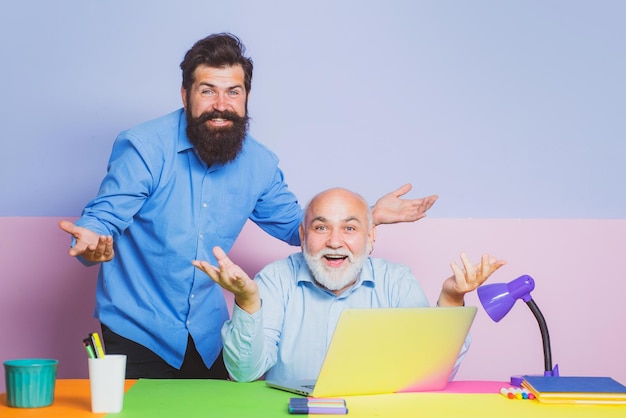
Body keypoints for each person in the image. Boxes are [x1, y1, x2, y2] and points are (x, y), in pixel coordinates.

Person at [58, 33, 438, 379]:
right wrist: (92, 240)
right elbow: (103, 217)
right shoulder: (143, 147)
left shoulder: (259, 163)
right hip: (138, 331)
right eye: (207, 91)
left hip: (208, 337)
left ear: (246, 97)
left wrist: (368, 215)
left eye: (233, 92)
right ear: (185, 95)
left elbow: (301, 229)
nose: (221, 105)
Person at [192, 187, 506, 383]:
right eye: (320, 227)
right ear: (302, 237)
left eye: (350, 228)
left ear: (371, 238)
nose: (335, 241)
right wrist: (247, 302)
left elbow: (430, 374)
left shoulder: (397, 282)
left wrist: (451, 298)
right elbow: (243, 374)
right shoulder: (274, 280)